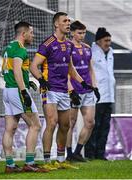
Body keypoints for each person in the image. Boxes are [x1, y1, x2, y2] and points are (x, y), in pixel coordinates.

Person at [30, 12, 95, 170]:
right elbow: (33, 66)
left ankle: (60, 160)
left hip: (64, 90)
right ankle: (46, 162)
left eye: (68, 21)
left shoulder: (69, 45)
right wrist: (41, 80)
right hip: (50, 90)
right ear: (56, 25)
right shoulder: (48, 43)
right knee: (52, 123)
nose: (68, 23)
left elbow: (70, 69)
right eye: (64, 21)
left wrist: (85, 84)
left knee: (65, 125)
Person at [2, 21, 48, 173]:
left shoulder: (10, 47)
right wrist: (23, 91)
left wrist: (29, 82)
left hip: (8, 90)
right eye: (31, 32)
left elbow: (15, 70)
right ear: (24, 34)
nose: (33, 35)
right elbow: (16, 71)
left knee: (10, 129)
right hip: (17, 91)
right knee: (35, 125)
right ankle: (29, 163)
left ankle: (9, 165)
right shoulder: (21, 50)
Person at [66, 21, 100, 162]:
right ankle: (68, 154)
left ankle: (77, 152)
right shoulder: (67, 47)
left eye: (84, 32)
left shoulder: (87, 48)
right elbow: (67, 71)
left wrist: (95, 86)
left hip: (87, 91)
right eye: (79, 33)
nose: (82, 35)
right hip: (74, 91)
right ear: (72, 33)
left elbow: (91, 69)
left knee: (90, 122)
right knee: (70, 123)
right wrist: (71, 90)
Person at [85, 27, 115, 160]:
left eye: (109, 40)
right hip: (97, 96)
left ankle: (100, 154)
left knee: (105, 127)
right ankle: (90, 154)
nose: (108, 43)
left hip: (109, 96)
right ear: (98, 41)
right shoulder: (91, 52)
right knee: (94, 126)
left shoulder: (111, 52)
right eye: (105, 40)